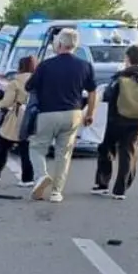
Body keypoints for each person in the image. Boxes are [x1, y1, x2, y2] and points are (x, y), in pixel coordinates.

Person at [24, 29, 98, 203]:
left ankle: (41, 175)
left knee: (36, 147)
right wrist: (90, 114)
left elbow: (29, 87)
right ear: (75, 46)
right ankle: (57, 192)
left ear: (59, 44)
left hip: (47, 113)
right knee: (63, 154)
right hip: (73, 113)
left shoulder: (46, 65)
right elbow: (93, 91)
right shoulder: (85, 66)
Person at [92, 44, 138, 200]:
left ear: (128, 58)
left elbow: (109, 95)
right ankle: (120, 189)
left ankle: (102, 184)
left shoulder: (121, 76)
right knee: (128, 154)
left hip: (115, 119)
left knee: (106, 149)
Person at [0, 55, 36, 186]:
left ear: (20, 67)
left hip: (18, 115)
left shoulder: (15, 82)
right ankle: (28, 178)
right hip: (33, 115)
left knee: (4, 144)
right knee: (25, 147)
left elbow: (7, 101)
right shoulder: (38, 80)